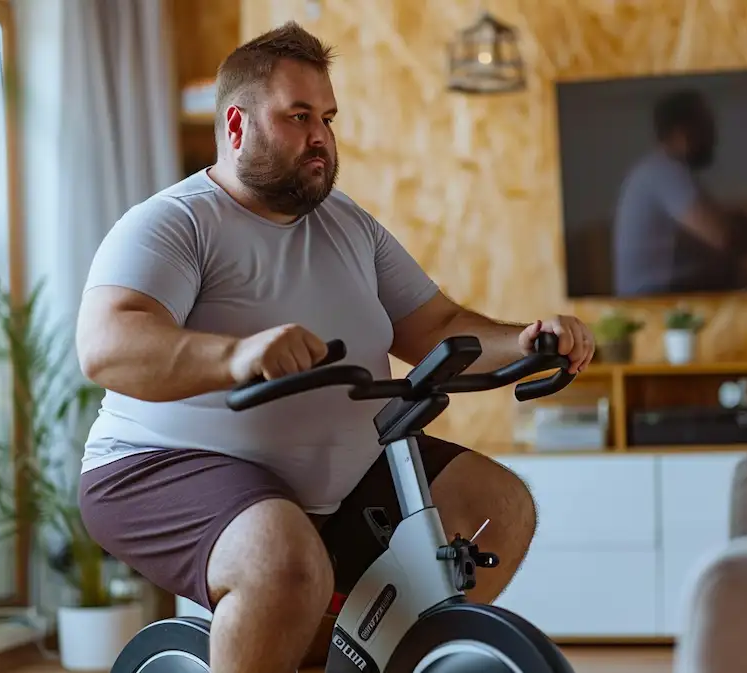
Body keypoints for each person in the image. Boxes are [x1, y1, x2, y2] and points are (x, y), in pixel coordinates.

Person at [73, 21, 595, 673]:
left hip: (336, 476)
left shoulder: (347, 224)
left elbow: (437, 325)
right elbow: (107, 343)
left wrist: (527, 339)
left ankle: (368, 659)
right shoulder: (174, 223)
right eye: (297, 116)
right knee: (282, 562)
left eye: (327, 117)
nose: (320, 136)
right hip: (160, 465)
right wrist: (234, 357)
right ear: (236, 126)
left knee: (500, 507)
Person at [611, 89, 735, 295]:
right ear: (682, 133)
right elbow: (723, 237)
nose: (714, 135)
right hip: (650, 296)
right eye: (706, 127)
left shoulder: (656, 168)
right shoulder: (665, 171)